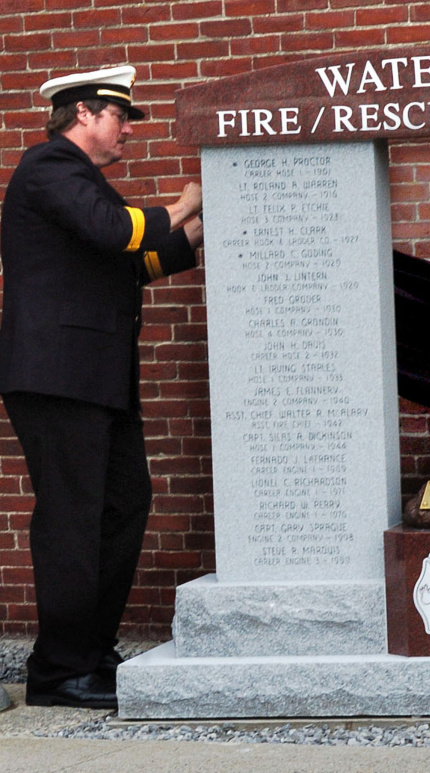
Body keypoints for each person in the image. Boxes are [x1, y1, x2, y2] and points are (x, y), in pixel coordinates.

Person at [0, 65, 204, 709]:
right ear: (84, 113)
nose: (127, 133)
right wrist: (189, 199)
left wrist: (215, 215)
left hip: (96, 377)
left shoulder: (85, 186)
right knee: (73, 518)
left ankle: (89, 652)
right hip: (59, 376)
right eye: (121, 118)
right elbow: (118, 233)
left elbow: (140, 259)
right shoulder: (49, 167)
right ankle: (58, 672)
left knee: (123, 506)